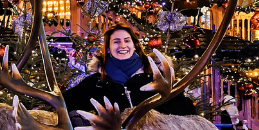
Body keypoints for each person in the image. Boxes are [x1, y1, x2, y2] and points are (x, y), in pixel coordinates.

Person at [64, 26, 195, 119]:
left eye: (127, 40)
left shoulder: (156, 77)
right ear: (108, 48)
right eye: (116, 42)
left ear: (134, 45)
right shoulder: (97, 83)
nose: (122, 45)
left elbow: (186, 109)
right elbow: (65, 105)